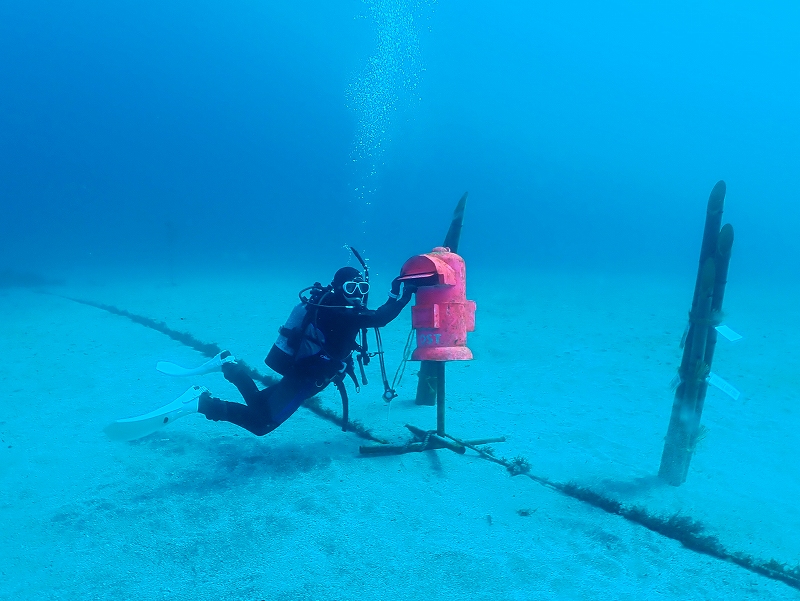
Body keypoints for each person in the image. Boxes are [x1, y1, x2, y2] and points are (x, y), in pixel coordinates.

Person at [196, 266, 415, 435]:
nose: (357, 295)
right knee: (261, 424)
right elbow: (380, 318)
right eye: (350, 288)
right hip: (305, 377)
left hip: (302, 370)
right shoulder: (339, 313)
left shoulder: (332, 305)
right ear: (338, 288)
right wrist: (403, 295)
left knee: (258, 403)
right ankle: (203, 404)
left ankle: (229, 366)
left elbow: (371, 318)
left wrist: (394, 294)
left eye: (362, 288)